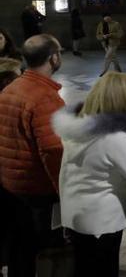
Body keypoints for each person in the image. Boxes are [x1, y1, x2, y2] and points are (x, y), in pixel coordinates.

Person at [52, 72, 126, 277]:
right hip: (102, 222)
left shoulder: (79, 126)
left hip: (76, 216)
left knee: (84, 268)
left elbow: (96, 157)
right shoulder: (115, 138)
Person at [0, 34, 65, 277]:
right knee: (43, 255)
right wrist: (64, 190)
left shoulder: (10, 89)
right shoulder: (45, 98)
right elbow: (53, 151)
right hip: (38, 192)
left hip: (11, 187)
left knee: (20, 251)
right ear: (53, 58)